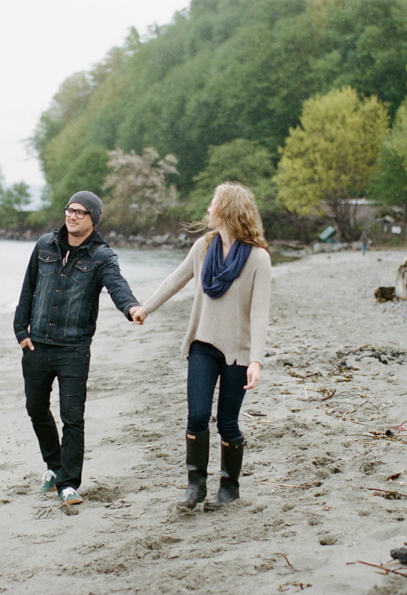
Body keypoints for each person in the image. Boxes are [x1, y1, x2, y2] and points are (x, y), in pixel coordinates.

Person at [132, 182, 271, 511]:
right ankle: (195, 486)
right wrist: (145, 308)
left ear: (226, 212)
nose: (208, 210)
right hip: (202, 346)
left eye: (213, 205)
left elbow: (260, 311)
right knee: (196, 416)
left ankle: (229, 488)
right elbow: (174, 280)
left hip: (238, 352)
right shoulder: (202, 248)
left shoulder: (258, 258)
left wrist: (257, 361)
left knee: (227, 422)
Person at [14, 191, 142, 505]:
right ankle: (54, 465)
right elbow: (28, 288)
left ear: (93, 219)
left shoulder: (101, 256)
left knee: (73, 417)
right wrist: (20, 330)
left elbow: (116, 285)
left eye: (80, 212)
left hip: (73, 348)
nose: (72, 216)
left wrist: (131, 308)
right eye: (69, 210)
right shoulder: (45, 244)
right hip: (37, 345)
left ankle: (68, 483)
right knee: (35, 408)